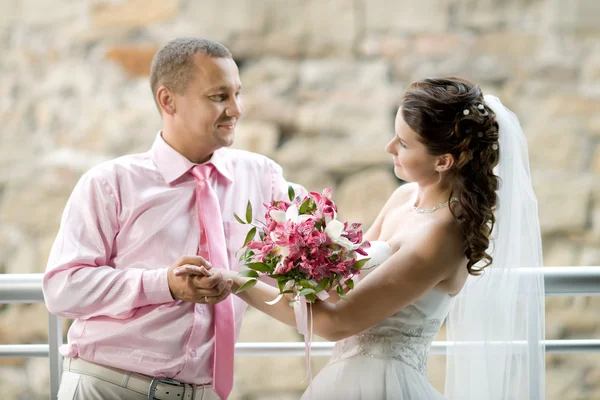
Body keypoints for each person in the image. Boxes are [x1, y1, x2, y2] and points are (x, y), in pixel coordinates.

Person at [181, 77, 545, 399]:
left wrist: (238, 282)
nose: (389, 148)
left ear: (443, 161)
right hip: (343, 377)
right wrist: (296, 254)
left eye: (403, 143)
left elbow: (337, 322)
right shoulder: (406, 196)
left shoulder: (444, 235)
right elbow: (341, 279)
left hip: (384, 384)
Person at [42, 37, 304, 400]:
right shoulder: (109, 183)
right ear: (168, 101)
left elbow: (321, 239)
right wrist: (163, 284)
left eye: (236, 94)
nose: (236, 109)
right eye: (218, 97)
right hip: (108, 387)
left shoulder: (263, 178)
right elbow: (62, 288)